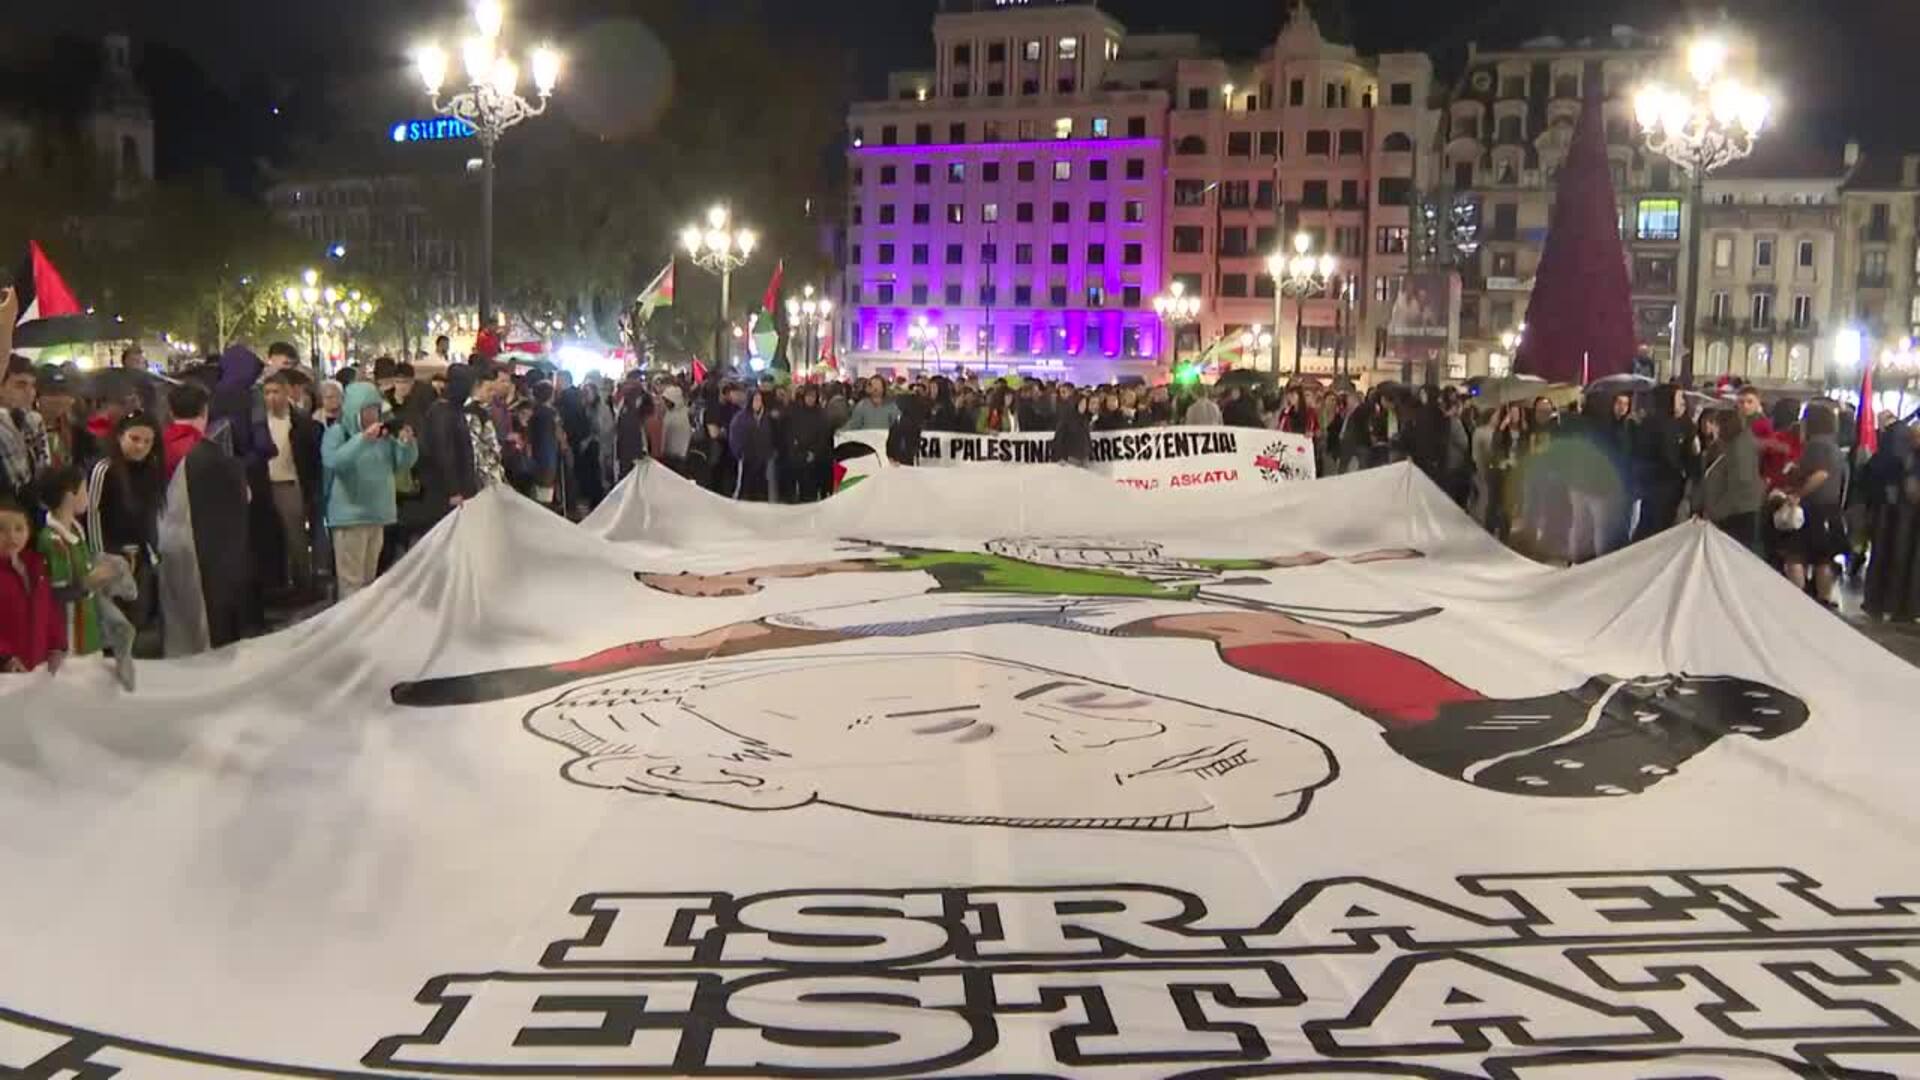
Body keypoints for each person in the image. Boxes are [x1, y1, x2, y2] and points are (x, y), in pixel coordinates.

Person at [155, 380, 253, 655]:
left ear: (170, 411)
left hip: (162, 540)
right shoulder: (208, 451)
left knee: (173, 609)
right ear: (204, 411)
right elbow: (242, 497)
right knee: (205, 619)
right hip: (204, 547)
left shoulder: (154, 445)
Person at [321, 382, 420, 599]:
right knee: (351, 582)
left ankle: (365, 619)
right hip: (350, 517)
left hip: (378, 514)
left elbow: (401, 464)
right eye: (367, 410)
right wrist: (363, 439)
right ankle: (348, 619)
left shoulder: (383, 437)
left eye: (375, 409)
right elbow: (334, 461)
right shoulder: (338, 433)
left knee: (369, 581)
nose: (372, 415)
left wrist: (407, 445)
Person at [86, 412, 165, 648]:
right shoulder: (104, 469)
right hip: (111, 552)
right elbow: (92, 513)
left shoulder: (152, 468)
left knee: (137, 617)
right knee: (113, 620)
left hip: (140, 553)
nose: (141, 446)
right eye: (135, 439)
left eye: (147, 441)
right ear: (120, 437)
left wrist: (152, 550)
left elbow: (151, 514)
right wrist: (101, 555)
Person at [34, 465, 117, 659]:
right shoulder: (53, 541)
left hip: (87, 630)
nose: (88, 496)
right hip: (67, 635)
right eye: (84, 490)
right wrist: (89, 582)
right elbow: (55, 594)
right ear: (69, 496)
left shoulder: (76, 530)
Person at [1779, 403, 1848, 609]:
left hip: (1813, 507)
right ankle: (1823, 602)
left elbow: (1821, 474)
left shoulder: (1816, 446)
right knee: (1823, 559)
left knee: (1795, 557)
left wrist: (1798, 493)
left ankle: (1798, 603)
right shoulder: (1834, 447)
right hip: (1831, 508)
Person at [261, 371, 322, 596]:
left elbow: (311, 458)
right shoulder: (259, 422)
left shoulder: (300, 422)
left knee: (296, 538)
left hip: (290, 484)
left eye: (276, 392)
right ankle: (277, 584)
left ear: (286, 392)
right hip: (265, 485)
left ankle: (303, 584)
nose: (271, 397)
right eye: (267, 392)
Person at [0, 496, 64, 673]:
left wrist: (56, 645)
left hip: (36, 669)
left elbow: (49, 610)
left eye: (19, 528)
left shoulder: (36, 567)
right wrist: (4, 657)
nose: (11, 536)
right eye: (1, 529)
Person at [1863, 422, 1920, 622]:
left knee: (1891, 555)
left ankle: (1884, 602)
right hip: (1903, 514)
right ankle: (1903, 605)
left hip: (1891, 513)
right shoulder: (1906, 459)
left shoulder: (1892, 457)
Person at [1693, 407, 1766, 557]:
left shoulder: (1739, 451)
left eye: (1714, 424)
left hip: (1736, 518)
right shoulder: (1727, 449)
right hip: (1729, 515)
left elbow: (1739, 488)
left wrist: (1716, 512)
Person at [419, 363, 483, 525]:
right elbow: (444, 453)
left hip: (458, 488)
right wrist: (453, 490)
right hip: (447, 492)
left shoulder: (452, 410)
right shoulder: (442, 412)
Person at [1634, 384, 1696, 542]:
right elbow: (1669, 456)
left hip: (1654, 484)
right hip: (1664, 486)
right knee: (1657, 529)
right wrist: (1682, 471)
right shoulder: (1663, 425)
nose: (1683, 401)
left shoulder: (1655, 422)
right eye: (1679, 397)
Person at [0, 355, 49, 505]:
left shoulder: (33, 421)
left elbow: (44, 469)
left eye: (32, 385)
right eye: (20, 385)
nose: (30, 392)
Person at [783, 385, 830, 502]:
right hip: (797, 456)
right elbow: (790, 432)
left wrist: (814, 452)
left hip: (814, 459)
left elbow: (823, 437)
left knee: (810, 492)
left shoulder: (821, 414)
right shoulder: (796, 412)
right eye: (808, 396)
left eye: (813, 396)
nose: (810, 399)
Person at [729, 390, 778, 502]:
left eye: (759, 400)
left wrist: (769, 452)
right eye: (755, 400)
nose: (758, 403)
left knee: (761, 490)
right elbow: (734, 438)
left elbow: (772, 436)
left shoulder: (766, 418)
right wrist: (740, 453)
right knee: (745, 489)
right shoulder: (740, 418)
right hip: (747, 461)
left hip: (763, 460)